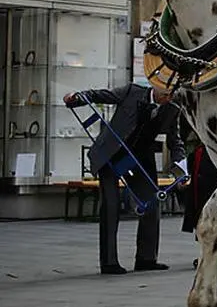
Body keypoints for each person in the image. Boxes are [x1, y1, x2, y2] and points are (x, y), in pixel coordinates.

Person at [64, 83, 186, 274]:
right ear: (156, 87)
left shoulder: (172, 109)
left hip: (138, 157)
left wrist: (181, 167)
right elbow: (101, 95)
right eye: (166, 94)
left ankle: (146, 259)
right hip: (112, 152)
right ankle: (109, 262)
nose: (168, 99)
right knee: (111, 206)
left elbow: (175, 141)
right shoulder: (132, 92)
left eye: (171, 95)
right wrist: (77, 98)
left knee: (151, 203)